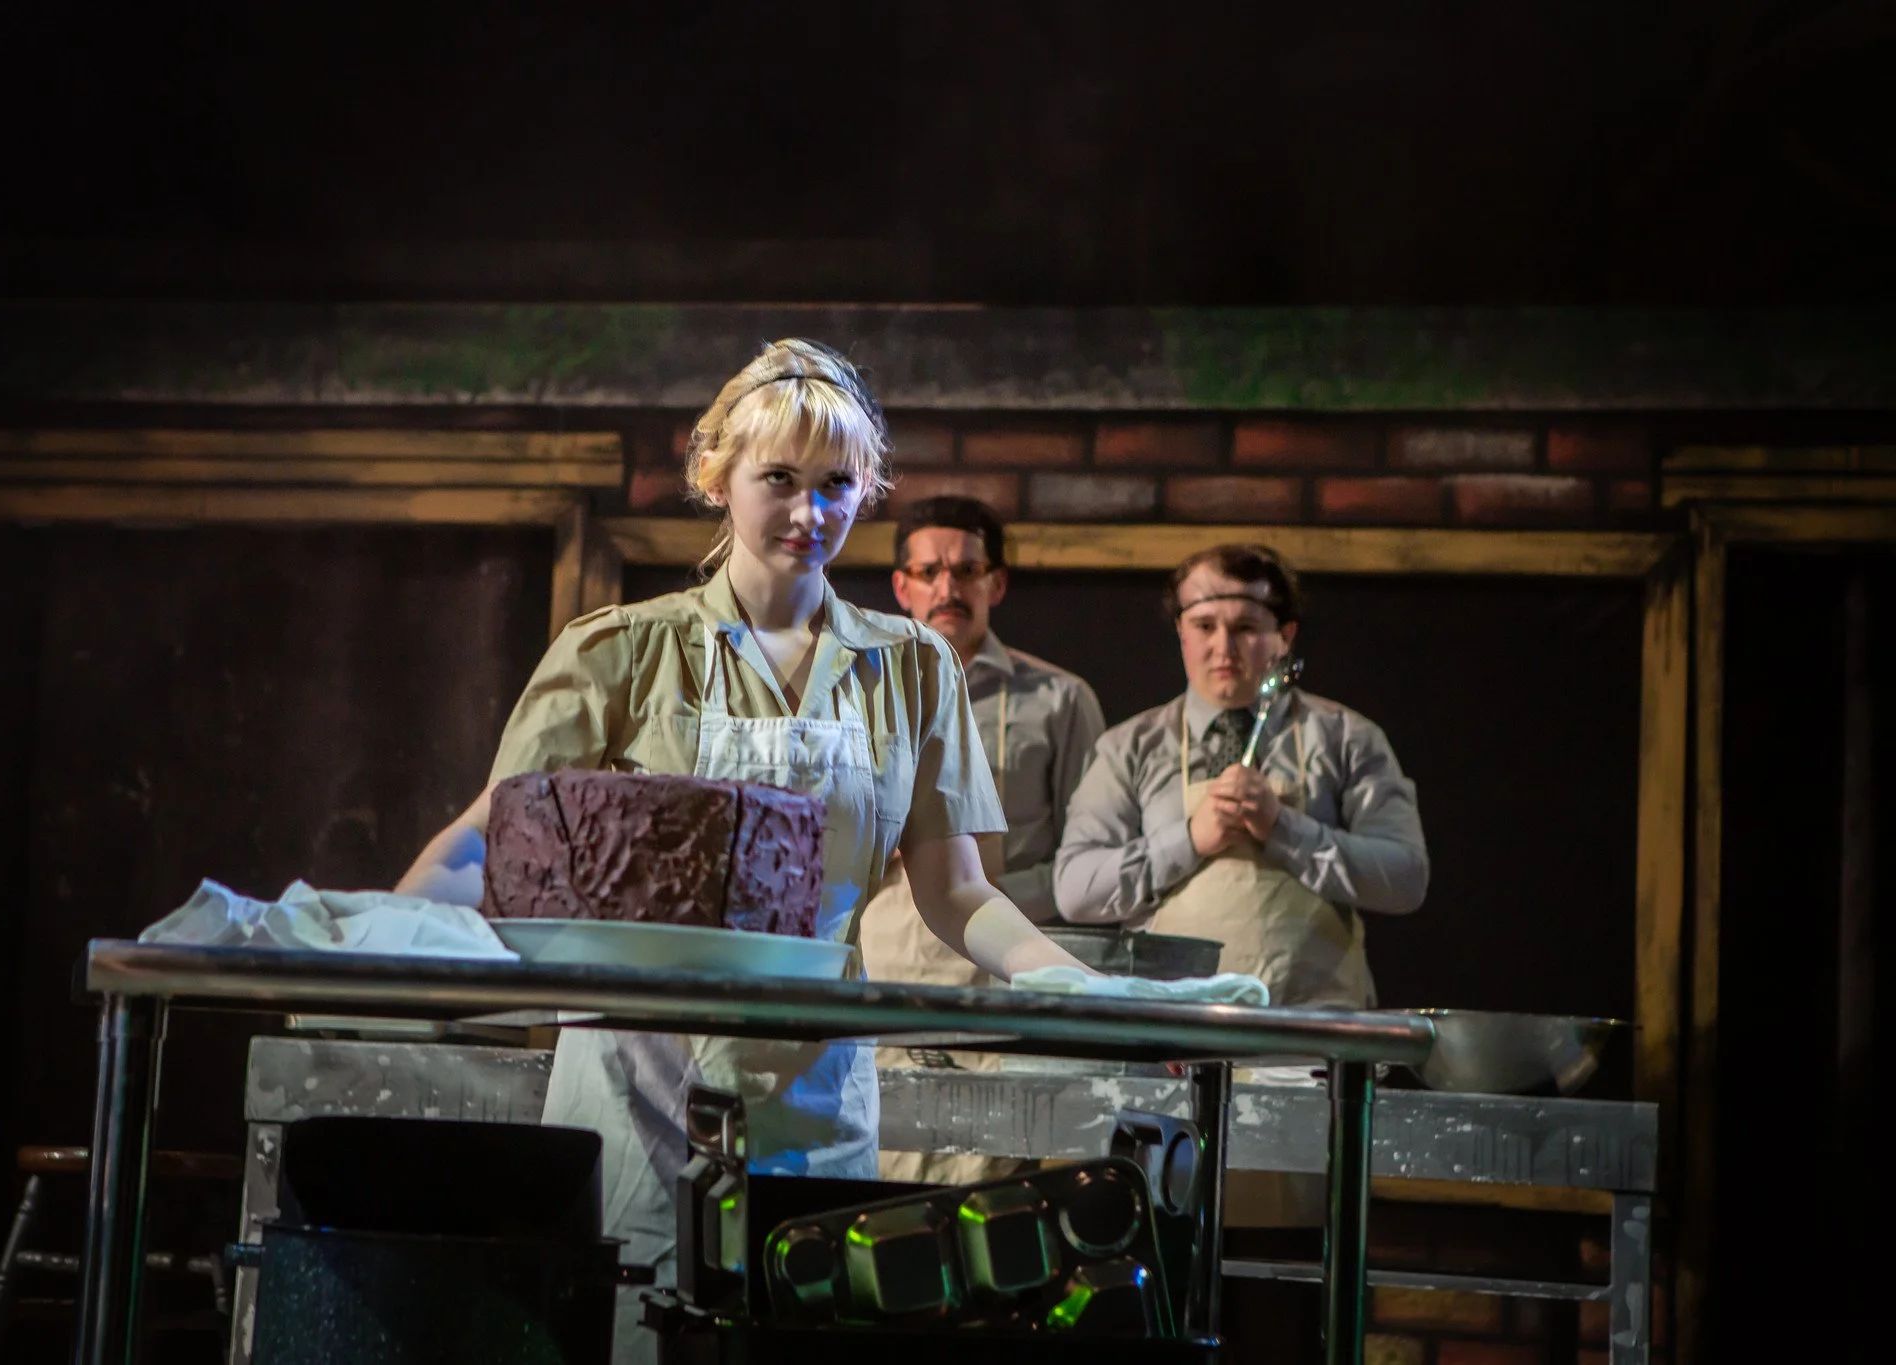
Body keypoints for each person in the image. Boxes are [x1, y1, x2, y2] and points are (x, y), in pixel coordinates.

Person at [394, 339, 1090, 1363]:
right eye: (780, 480)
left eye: (836, 485)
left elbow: (955, 891)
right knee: (635, 1331)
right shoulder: (622, 649)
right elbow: (493, 833)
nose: (810, 512)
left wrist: (1069, 982)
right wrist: (387, 928)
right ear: (717, 475)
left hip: (813, 1086)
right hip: (639, 1078)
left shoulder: (909, 667)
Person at [1053, 543, 1428, 1009]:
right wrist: (1190, 840)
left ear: (1285, 636)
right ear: (1181, 631)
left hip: (1312, 1025)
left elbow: (1405, 878)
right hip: (1172, 1024)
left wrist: (1284, 828)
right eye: (1204, 626)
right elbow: (1076, 890)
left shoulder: (1346, 738)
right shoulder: (1130, 747)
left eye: (1246, 628)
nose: (1223, 648)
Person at [857, 495, 1106, 1183]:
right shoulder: (859, 692)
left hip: (998, 965)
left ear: (996, 583)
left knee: (986, 1186)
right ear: (901, 585)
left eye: (967, 571)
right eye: (929, 571)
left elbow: (1086, 862)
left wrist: (992, 887)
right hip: (884, 964)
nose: (948, 588)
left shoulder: (1060, 700)